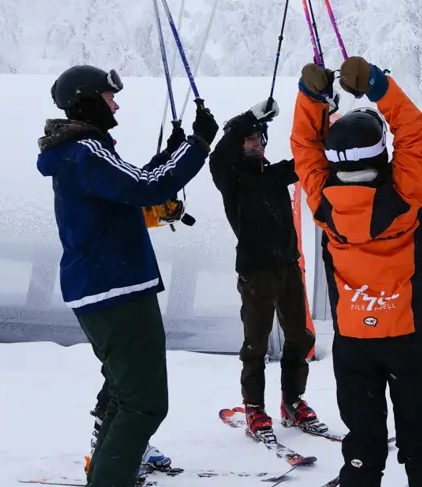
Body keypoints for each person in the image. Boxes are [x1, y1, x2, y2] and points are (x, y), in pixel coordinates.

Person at [37, 64, 218, 487]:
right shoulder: (85, 151)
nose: (115, 104)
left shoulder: (80, 152)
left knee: (126, 396)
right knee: (145, 404)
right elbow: (146, 189)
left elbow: (134, 183)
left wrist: (177, 150)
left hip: (107, 289)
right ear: (86, 101)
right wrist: (198, 145)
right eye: (108, 96)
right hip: (115, 290)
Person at [290, 56, 422, 487]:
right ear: (381, 153)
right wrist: (377, 86)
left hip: (354, 341)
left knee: (362, 444)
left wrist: (311, 98)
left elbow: (305, 148)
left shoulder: (324, 202)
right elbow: (414, 134)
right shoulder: (404, 196)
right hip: (408, 338)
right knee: (420, 440)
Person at [208, 99, 324, 439]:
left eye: (259, 137)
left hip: (288, 267)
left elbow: (306, 160)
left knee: (300, 337)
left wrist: (323, 119)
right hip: (255, 272)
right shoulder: (229, 178)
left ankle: (292, 401)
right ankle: (255, 409)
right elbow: (218, 155)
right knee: (255, 344)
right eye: (248, 139)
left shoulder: (273, 174)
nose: (255, 143)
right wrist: (247, 119)